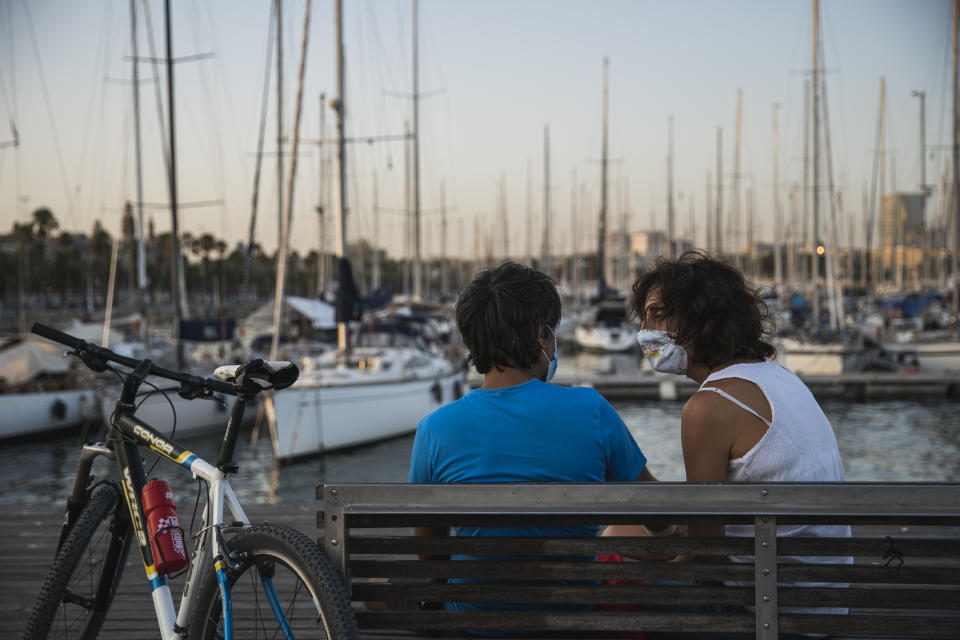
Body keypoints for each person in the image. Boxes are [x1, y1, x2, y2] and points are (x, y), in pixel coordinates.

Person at [609, 251, 850, 635]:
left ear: (702, 322)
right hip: (828, 596)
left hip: (776, 606)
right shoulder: (777, 377)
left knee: (615, 549)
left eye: (657, 314)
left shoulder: (709, 407)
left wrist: (658, 558)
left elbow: (706, 552)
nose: (644, 329)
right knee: (631, 535)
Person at [408, 261, 654, 619]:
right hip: (571, 612)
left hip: (476, 620)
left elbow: (430, 554)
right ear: (541, 335)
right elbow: (654, 507)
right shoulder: (591, 409)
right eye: (552, 333)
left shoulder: (434, 429)